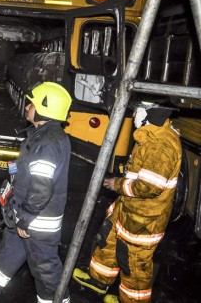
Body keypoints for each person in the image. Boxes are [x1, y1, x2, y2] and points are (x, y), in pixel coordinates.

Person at [72, 101, 181, 303]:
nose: (135, 113)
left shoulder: (161, 146)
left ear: (151, 114)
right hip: (129, 209)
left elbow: (149, 187)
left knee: (134, 263)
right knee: (108, 240)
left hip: (144, 220)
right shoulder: (150, 137)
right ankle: (98, 281)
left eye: (139, 109)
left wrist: (118, 184)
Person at [0, 81, 72, 303]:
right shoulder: (41, 136)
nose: (27, 107)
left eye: (31, 104)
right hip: (21, 214)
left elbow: (41, 189)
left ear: (43, 110)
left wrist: (24, 221)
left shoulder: (48, 143)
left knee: (45, 269)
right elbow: (29, 172)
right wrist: (13, 170)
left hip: (36, 223)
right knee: (10, 250)